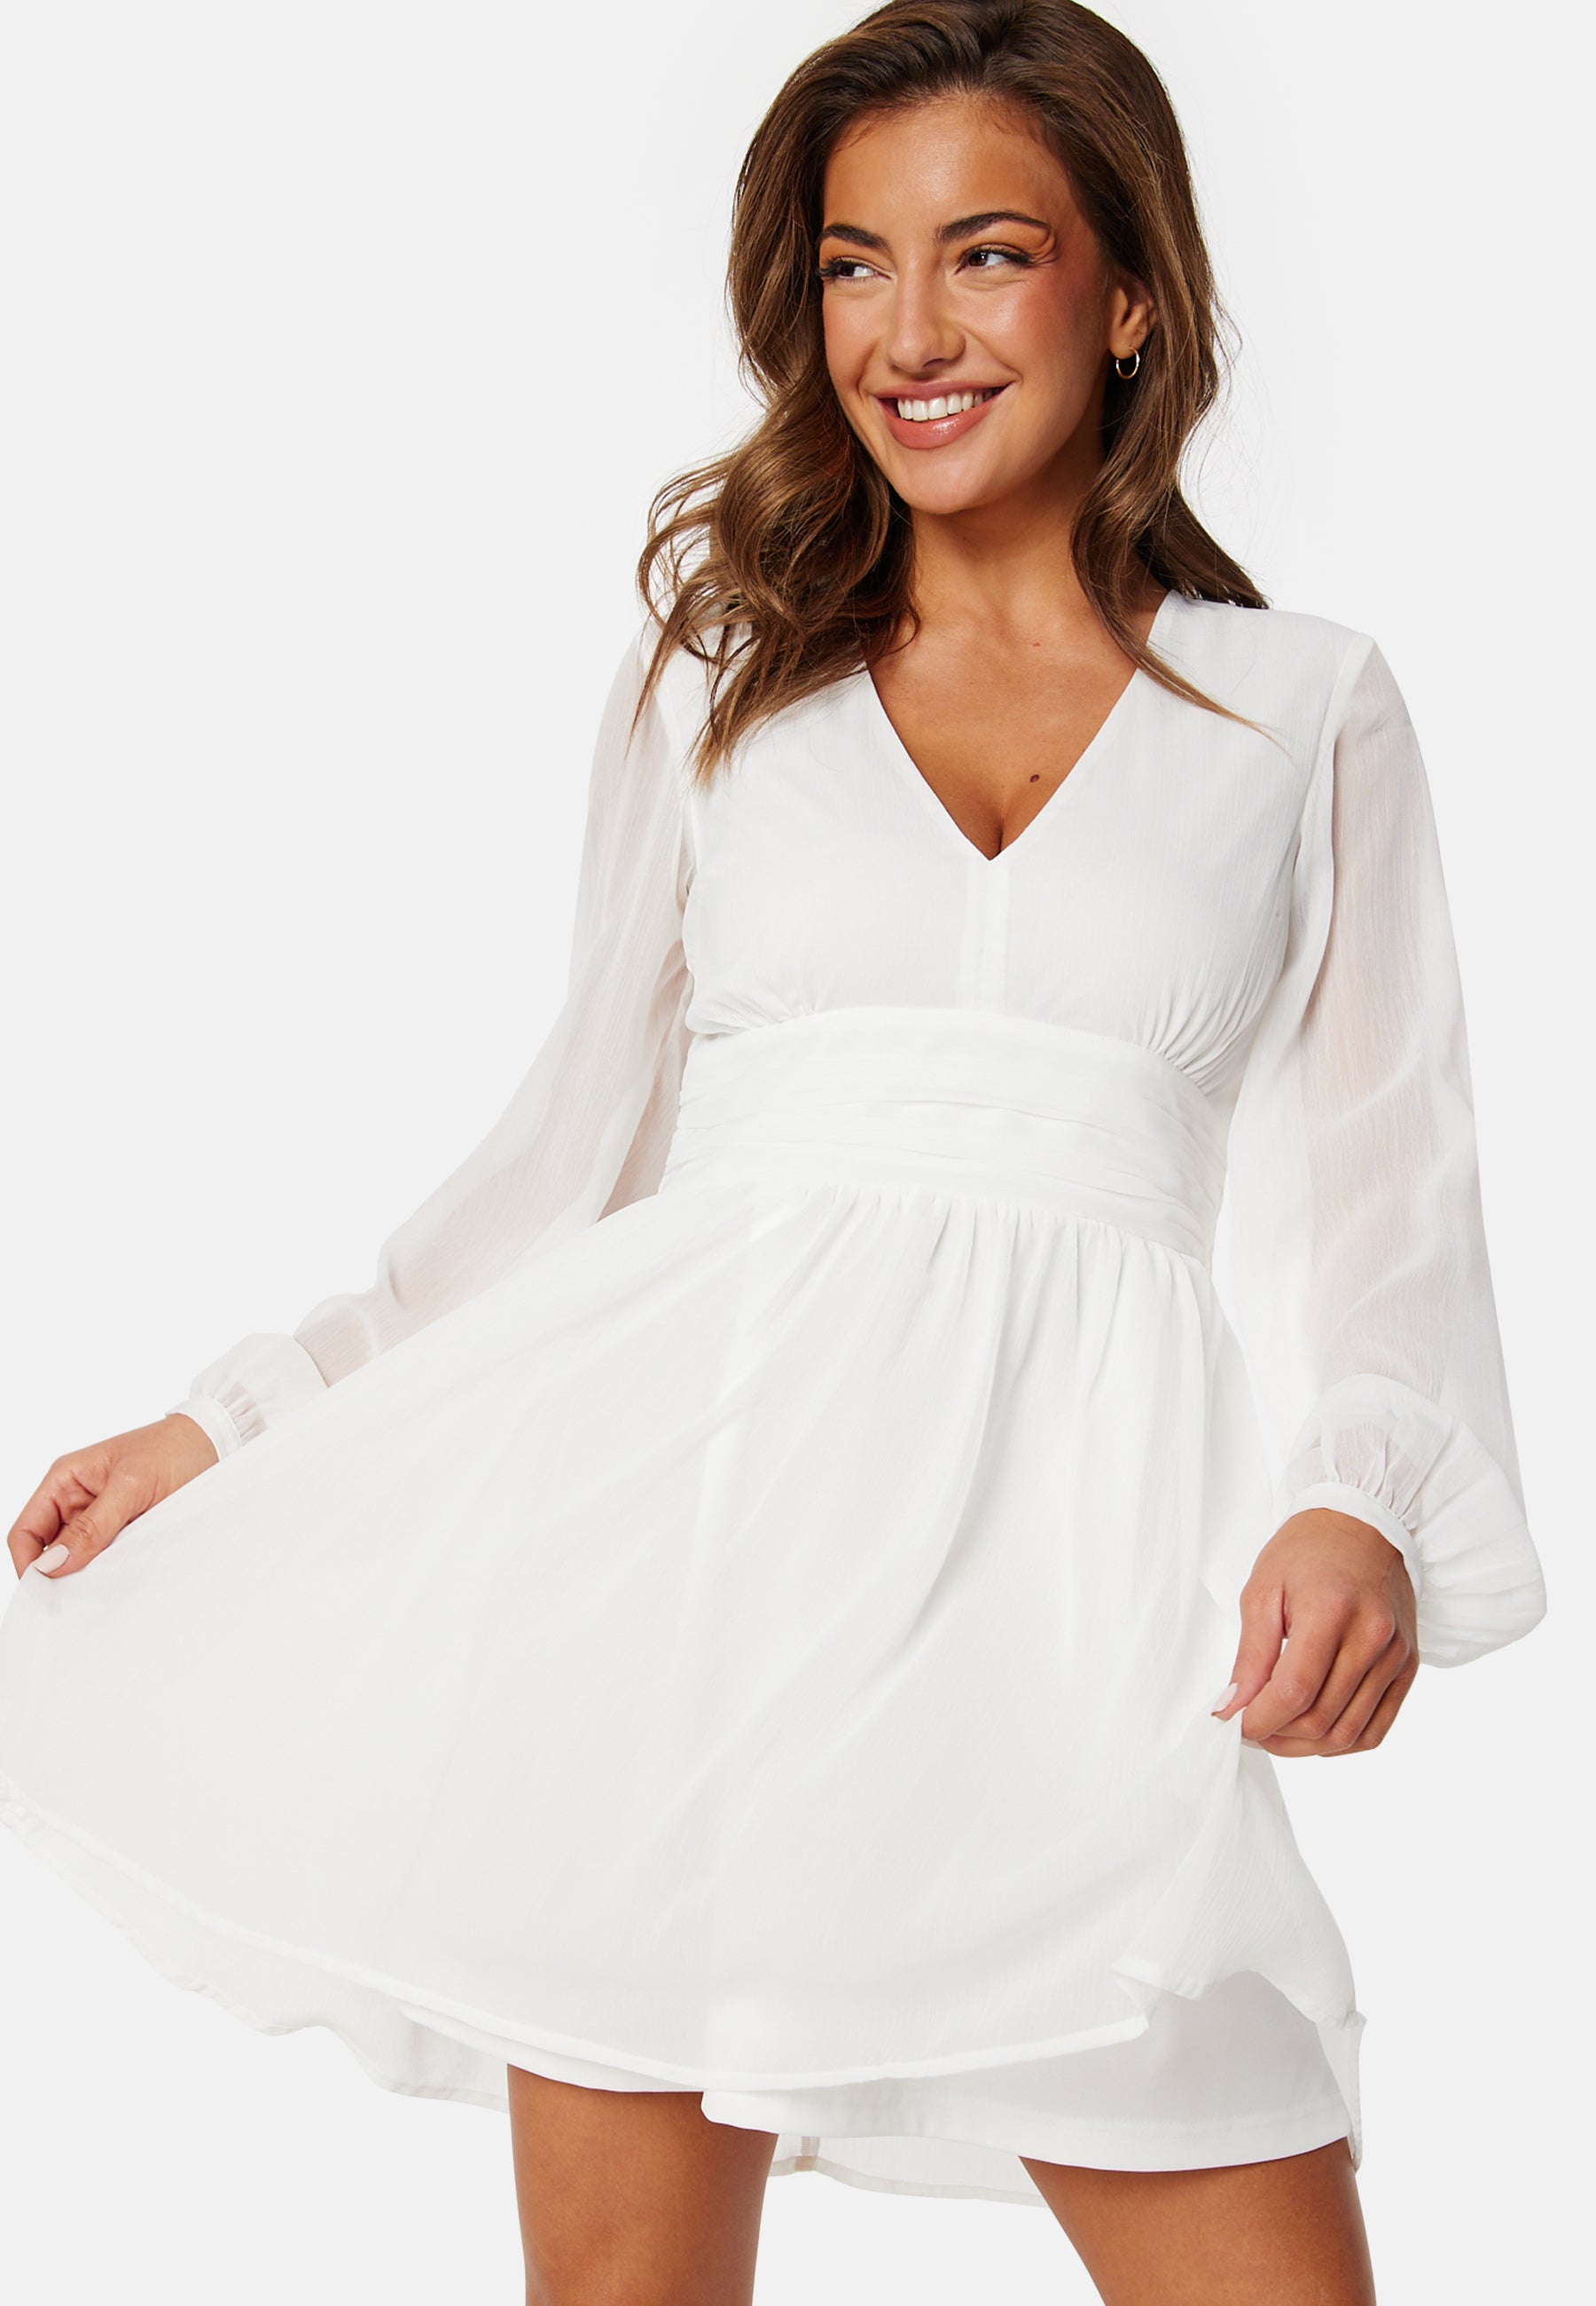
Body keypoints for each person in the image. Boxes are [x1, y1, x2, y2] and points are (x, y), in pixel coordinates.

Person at [0, 4, 1546, 2302]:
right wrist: (237, 1424)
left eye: (987, 253)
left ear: (1131, 296)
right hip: (680, 1604)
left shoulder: (1300, 706)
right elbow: (563, 1166)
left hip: (1078, 1647)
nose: (909, 333)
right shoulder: (725, 692)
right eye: (851, 265)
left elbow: (1398, 1188)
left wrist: (1365, 1496)